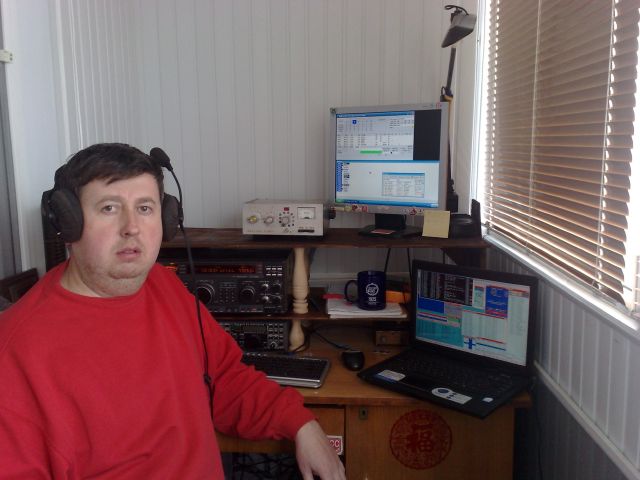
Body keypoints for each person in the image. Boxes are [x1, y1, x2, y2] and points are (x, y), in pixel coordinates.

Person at [0, 143, 346, 479]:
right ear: (67, 223)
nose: (131, 227)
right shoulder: (16, 353)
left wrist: (301, 424)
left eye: (145, 208)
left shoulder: (163, 285)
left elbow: (226, 380)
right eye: (109, 208)